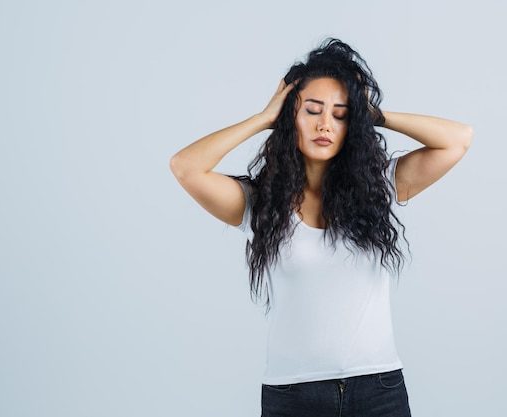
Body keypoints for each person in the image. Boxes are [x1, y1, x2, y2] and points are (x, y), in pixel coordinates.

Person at [170, 38, 473, 417]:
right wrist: (263, 118)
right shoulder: (259, 201)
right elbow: (185, 166)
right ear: (290, 116)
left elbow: (458, 140)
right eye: (312, 110)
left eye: (341, 114)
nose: (325, 124)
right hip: (293, 396)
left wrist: (375, 115)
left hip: (378, 389)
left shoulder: (380, 186)